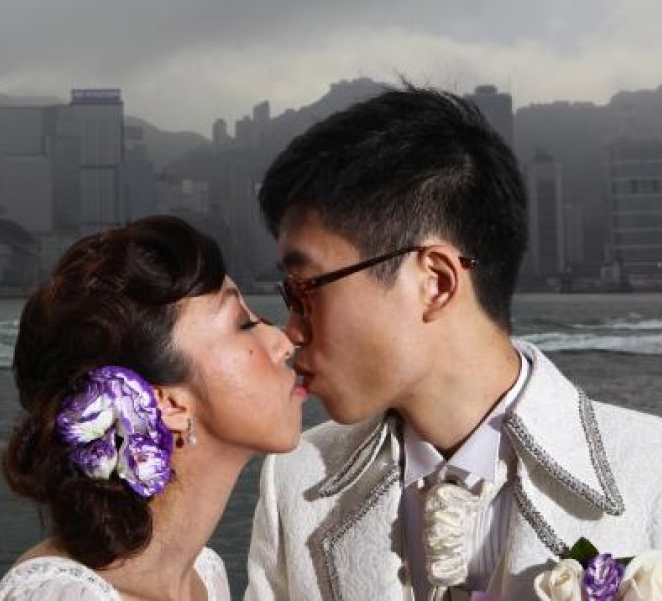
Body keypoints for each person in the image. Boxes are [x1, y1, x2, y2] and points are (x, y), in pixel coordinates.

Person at [245, 86, 662, 600]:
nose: (289, 331)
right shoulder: (295, 482)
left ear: (436, 282)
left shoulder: (652, 473)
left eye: (305, 289)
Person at [0, 215, 306, 600]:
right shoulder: (66, 596)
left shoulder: (204, 576)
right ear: (166, 402)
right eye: (243, 325)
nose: (283, 342)